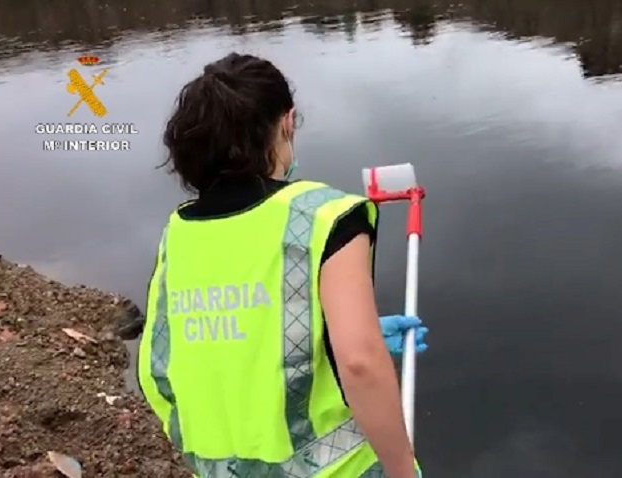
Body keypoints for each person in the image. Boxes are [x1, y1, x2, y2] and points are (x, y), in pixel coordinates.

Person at [137, 52, 428, 478]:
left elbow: (162, 367)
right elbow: (361, 363)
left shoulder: (178, 233)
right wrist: (403, 470)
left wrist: (326, 342)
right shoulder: (325, 215)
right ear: (287, 122)